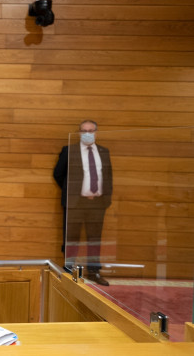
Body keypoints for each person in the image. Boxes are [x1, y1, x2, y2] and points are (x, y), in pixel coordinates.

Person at [53, 120, 113, 286]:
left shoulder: (103, 151)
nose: (87, 133)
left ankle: (94, 272)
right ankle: (69, 270)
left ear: (96, 132)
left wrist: (106, 199)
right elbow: (58, 174)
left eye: (91, 130)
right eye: (84, 130)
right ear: (79, 132)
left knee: (94, 238)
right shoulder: (69, 151)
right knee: (71, 238)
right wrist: (72, 194)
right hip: (75, 203)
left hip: (97, 204)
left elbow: (108, 176)